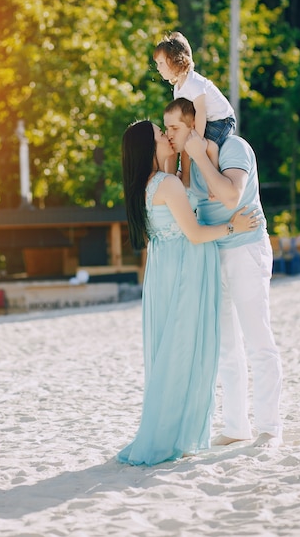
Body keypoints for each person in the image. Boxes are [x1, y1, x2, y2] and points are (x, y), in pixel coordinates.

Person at [117, 120, 260, 466]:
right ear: (148, 148)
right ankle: (175, 435)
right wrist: (232, 226)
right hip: (184, 272)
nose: (166, 135)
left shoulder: (146, 186)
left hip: (163, 275)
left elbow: (175, 190)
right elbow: (195, 234)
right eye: (159, 134)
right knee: (185, 353)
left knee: (170, 353)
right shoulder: (165, 184)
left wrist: (174, 162)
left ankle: (172, 431)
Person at [163, 98, 283, 448]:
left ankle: (270, 426)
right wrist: (179, 156)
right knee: (227, 346)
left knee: (258, 339)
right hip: (214, 253)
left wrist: (199, 154)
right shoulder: (186, 161)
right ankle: (235, 426)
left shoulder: (235, 148)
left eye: (175, 128)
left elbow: (231, 196)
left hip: (246, 250)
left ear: (195, 126)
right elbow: (179, 197)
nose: (169, 134)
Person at [154, 31, 236, 184]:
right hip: (205, 119)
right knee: (185, 145)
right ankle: (185, 179)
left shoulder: (194, 83)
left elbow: (201, 111)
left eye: (161, 63)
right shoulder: (178, 88)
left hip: (222, 119)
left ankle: (213, 183)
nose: (158, 68)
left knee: (208, 146)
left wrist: (197, 137)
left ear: (175, 61)